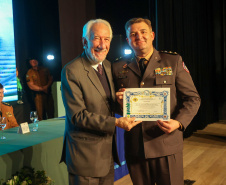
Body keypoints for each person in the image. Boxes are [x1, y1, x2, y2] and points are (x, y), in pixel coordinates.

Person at [112, 18, 201, 185]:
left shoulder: (172, 61)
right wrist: (119, 102)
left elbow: (192, 98)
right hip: (135, 147)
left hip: (166, 144)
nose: (139, 36)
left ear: (152, 35)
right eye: (133, 34)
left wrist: (179, 123)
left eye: (143, 32)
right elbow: (115, 107)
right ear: (128, 40)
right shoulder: (118, 67)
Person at [60, 19, 141, 185]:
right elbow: (78, 116)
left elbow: (107, 105)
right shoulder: (71, 71)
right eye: (96, 38)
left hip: (107, 155)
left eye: (106, 39)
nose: (102, 45)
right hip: (85, 158)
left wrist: (123, 101)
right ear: (84, 41)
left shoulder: (109, 67)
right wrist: (117, 122)